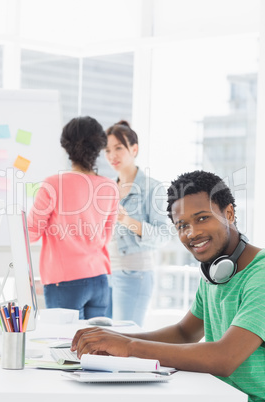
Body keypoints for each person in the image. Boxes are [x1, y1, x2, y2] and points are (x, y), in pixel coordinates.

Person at [71, 170, 265, 402]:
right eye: (182, 225)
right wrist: (112, 339)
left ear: (229, 213)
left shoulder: (260, 274)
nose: (192, 232)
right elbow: (184, 333)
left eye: (202, 218)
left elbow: (225, 357)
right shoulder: (215, 272)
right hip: (221, 395)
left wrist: (129, 346)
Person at [27, 116, 119, 319]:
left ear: (66, 146)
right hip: (100, 278)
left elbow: (30, 234)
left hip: (64, 280)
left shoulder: (53, 184)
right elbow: (105, 236)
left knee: (65, 346)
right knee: (97, 347)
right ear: (99, 147)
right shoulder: (110, 187)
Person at [104, 120, 168, 326]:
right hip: (105, 274)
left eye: (118, 148)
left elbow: (163, 236)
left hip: (134, 274)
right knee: (103, 340)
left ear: (134, 149)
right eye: (107, 150)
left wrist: (126, 220)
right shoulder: (106, 188)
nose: (112, 155)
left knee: (123, 341)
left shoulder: (152, 188)